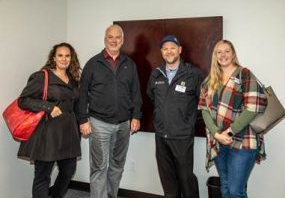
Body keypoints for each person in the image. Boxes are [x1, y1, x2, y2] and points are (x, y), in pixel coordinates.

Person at [78, 24, 142, 198]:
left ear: (122, 40)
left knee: (117, 165)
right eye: (110, 37)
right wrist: (83, 119)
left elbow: (136, 92)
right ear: (105, 39)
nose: (114, 40)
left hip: (123, 124)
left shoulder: (129, 64)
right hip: (99, 124)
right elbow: (82, 94)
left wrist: (136, 116)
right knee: (99, 167)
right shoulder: (93, 64)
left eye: (118, 37)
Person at [198, 40, 267, 198]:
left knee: (236, 191)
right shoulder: (209, 81)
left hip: (243, 140)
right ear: (215, 56)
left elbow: (253, 107)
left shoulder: (244, 74)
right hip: (218, 141)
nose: (223, 55)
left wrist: (229, 132)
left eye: (227, 51)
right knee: (225, 186)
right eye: (219, 52)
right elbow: (204, 110)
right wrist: (216, 134)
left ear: (233, 53)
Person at [17, 42, 82, 198]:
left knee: (68, 171)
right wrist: (48, 107)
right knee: (43, 176)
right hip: (48, 133)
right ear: (54, 57)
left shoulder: (73, 79)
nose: (64, 59)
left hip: (68, 133)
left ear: (71, 58)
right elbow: (23, 100)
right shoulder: (42, 76)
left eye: (67, 56)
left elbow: (76, 104)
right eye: (60, 55)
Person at [147, 35, 203, 198]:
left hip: (182, 137)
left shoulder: (193, 74)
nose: (169, 51)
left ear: (179, 50)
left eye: (172, 47)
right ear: (161, 52)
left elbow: (204, 102)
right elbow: (152, 98)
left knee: (186, 179)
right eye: (165, 48)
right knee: (168, 181)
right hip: (161, 136)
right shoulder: (156, 74)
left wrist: (187, 120)